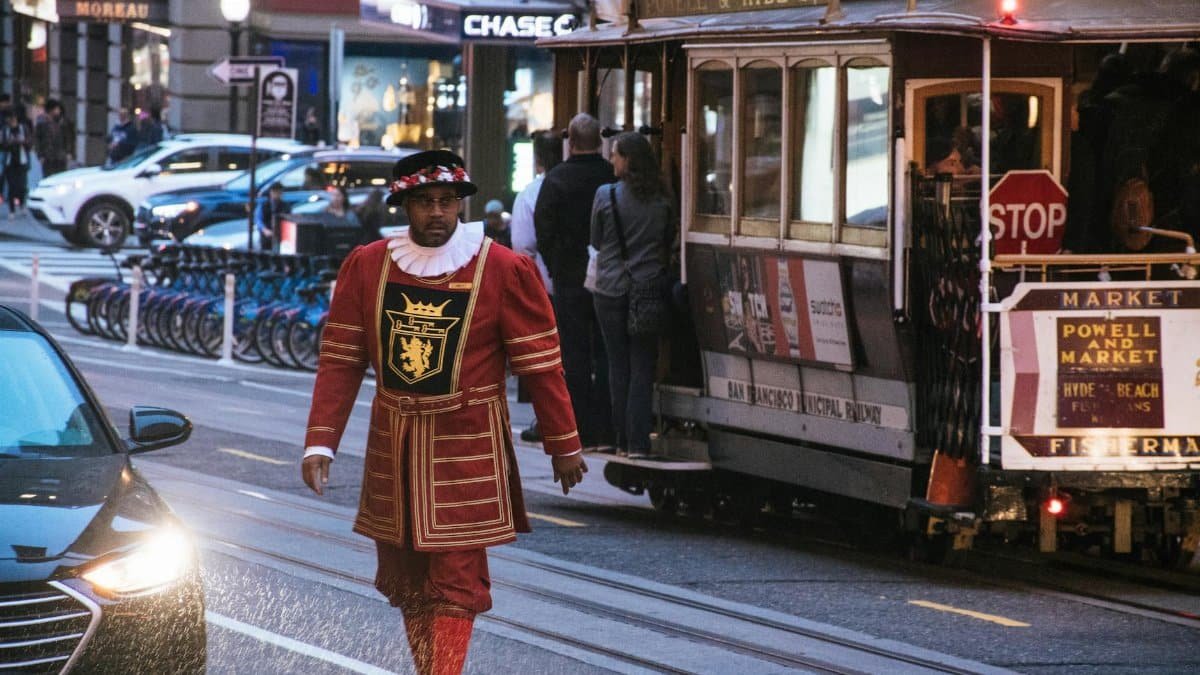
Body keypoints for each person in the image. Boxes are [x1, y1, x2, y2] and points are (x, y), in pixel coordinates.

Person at [301, 149, 586, 675]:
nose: (437, 213)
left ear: (460, 205)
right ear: (404, 205)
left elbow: (542, 365)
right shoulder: (368, 265)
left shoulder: (501, 268)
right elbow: (340, 360)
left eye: (447, 201)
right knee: (409, 579)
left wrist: (563, 444)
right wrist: (321, 441)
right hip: (395, 445)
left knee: (455, 579)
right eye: (425, 202)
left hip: (467, 446)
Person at [534, 113, 616, 447]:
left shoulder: (556, 179)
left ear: (571, 141)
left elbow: (544, 228)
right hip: (608, 276)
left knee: (574, 352)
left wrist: (555, 266)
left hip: (569, 276)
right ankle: (608, 424)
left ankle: (579, 423)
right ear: (600, 140)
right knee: (607, 351)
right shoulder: (611, 176)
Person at [590, 132, 671, 457]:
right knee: (642, 367)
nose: (612, 160)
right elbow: (667, 240)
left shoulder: (605, 195)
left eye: (615, 155)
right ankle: (639, 442)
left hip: (610, 288)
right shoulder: (662, 199)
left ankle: (622, 440)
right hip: (647, 289)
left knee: (617, 365)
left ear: (628, 160)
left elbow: (595, 241)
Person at [511, 129, 563, 442]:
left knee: (545, 357)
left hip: (544, 284)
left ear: (539, 158)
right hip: (588, 283)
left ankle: (547, 420)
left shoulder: (532, 193)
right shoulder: (588, 184)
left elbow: (522, 245)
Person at [0, 111, 33, 218]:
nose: (11, 121)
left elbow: (30, 143)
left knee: (22, 186)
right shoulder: (5, 130)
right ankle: (12, 210)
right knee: (11, 187)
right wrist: (9, 142)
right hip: (9, 162)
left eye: (13, 118)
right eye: (9, 119)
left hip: (22, 161)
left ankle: (22, 204)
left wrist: (22, 141)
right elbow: (2, 145)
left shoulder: (23, 128)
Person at [34, 98, 69, 177]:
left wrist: (67, 152)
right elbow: (37, 140)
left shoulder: (62, 123)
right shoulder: (42, 123)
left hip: (60, 157)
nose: (58, 111)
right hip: (47, 157)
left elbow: (67, 138)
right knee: (48, 177)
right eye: (57, 109)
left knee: (61, 177)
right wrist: (40, 155)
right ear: (51, 110)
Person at [255, 182, 289, 251]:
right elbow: (258, 220)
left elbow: (288, 220)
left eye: (279, 192)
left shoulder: (286, 206)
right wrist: (265, 230)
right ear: (271, 192)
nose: (277, 194)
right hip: (266, 237)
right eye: (275, 191)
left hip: (281, 237)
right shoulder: (263, 205)